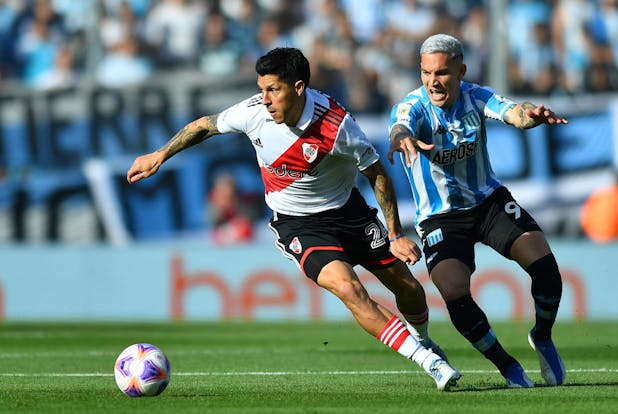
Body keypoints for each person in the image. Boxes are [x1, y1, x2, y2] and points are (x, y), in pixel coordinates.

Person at [127, 47, 460, 390]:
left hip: (349, 212)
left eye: (274, 90)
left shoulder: (336, 125)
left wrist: (394, 233)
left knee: (408, 289)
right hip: (298, 223)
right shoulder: (252, 113)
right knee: (349, 288)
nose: (265, 99)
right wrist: (160, 155)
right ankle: (428, 361)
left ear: (299, 87)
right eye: (262, 89)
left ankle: (424, 339)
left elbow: (377, 173)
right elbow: (204, 126)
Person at [387, 34, 567, 388]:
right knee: (453, 290)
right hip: (440, 217)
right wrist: (400, 138)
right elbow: (399, 125)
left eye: (441, 73)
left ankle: (542, 337)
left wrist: (532, 115)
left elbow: (514, 112)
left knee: (546, 268)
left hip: (488, 203)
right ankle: (507, 365)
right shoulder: (414, 106)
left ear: (461, 70)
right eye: (425, 73)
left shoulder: (476, 96)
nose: (433, 81)